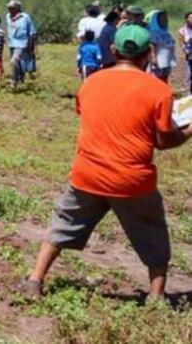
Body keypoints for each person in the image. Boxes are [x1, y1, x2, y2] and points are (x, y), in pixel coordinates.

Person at [21, 24, 192, 302]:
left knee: (62, 224)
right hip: (131, 181)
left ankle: (33, 281)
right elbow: (163, 141)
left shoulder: (91, 82)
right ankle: (156, 296)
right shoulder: (159, 91)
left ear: (113, 50)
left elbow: (89, 114)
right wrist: (187, 131)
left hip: (88, 174)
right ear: (149, 53)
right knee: (153, 234)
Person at [6, 0, 37, 88]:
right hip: (11, 43)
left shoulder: (25, 17)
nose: (9, 10)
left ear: (17, 8)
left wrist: (30, 45)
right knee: (18, 62)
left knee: (14, 61)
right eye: (9, 8)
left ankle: (14, 80)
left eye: (11, 8)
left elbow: (31, 32)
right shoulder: (8, 16)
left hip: (22, 43)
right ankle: (20, 78)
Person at [147, 10, 175, 84]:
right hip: (158, 60)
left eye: (165, 18)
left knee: (165, 77)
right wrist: (153, 58)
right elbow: (151, 45)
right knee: (156, 78)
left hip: (166, 60)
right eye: (162, 18)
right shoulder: (153, 33)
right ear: (156, 20)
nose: (165, 20)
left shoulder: (166, 32)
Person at [179, 12, 192, 90]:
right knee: (189, 74)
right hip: (189, 54)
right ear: (186, 19)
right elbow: (181, 43)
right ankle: (189, 92)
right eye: (191, 18)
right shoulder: (182, 30)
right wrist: (185, 52)